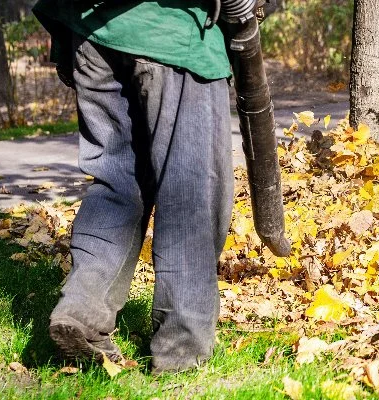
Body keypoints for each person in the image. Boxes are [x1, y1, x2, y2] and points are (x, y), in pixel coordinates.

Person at [33, 0, 245, 373]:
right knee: (192, 191)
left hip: (91, 30)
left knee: (116, 183)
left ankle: (83, 310)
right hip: (174, 32)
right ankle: (182, 348)